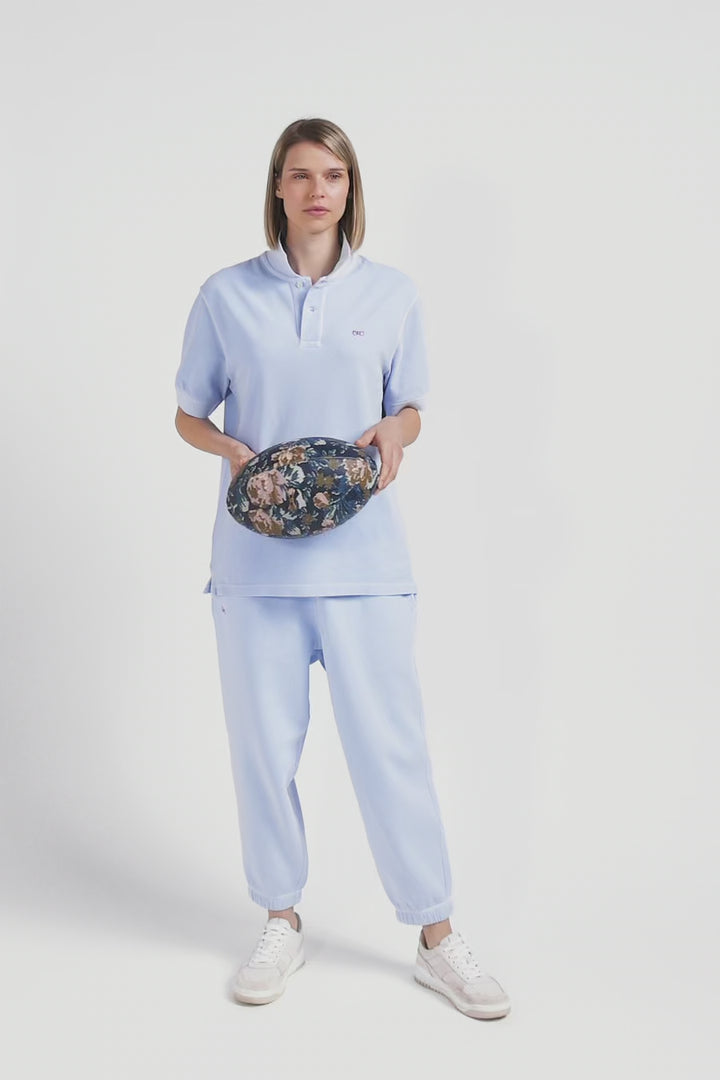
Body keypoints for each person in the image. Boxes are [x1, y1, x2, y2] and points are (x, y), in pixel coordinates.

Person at [174, 117, 511, 1020]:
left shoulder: (392, 294)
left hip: (366, 566)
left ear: (350, 188)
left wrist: (398, 430)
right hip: (255, 570)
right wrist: (231, 450)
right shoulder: (226, 295)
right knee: (263, 751)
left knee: (391, 751)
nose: (317, 190)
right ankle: (280, 920)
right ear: (277, 189)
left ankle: (437, 937)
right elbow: (188, 413)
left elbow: (410, 408)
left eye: (333, 174)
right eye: (300, 174)